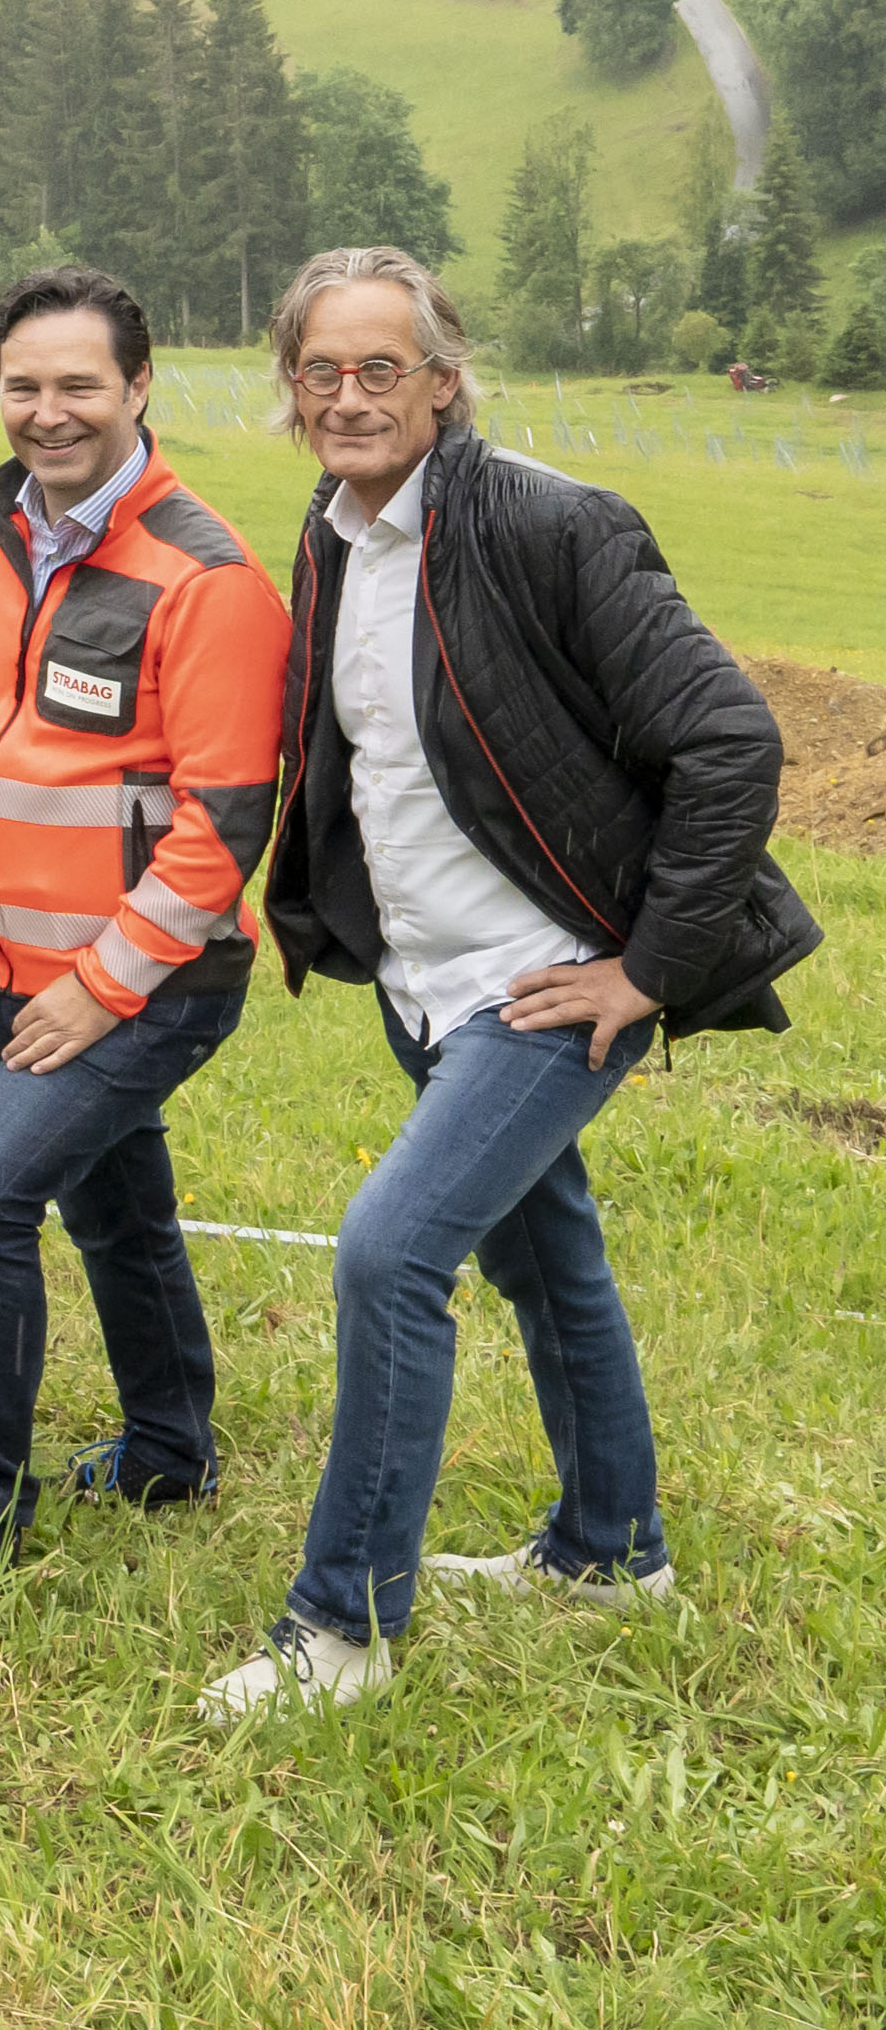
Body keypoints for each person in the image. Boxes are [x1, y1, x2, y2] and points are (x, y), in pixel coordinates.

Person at [202, 249, 816, 1719]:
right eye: (321, 372)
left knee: (386, 1252)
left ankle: (339, 1633)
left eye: (382, 369)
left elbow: (733, 745)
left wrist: (647, 969)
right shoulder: (333, 528)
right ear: (291, 389)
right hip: (428, 976)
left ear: (445, 376)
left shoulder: (554, 523)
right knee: (547, 1263)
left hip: (544, 985)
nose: (350, 398)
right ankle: (614, 1554)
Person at [0, 262, 292, 1571]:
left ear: (141, 386)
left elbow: (224, 823)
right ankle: (167, 1447)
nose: (49, 410)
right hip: (17, 962)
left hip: (146, 979)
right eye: (24, 384)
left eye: (80, 383)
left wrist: (103, 985)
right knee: (119, 1211)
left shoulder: (208, 578)